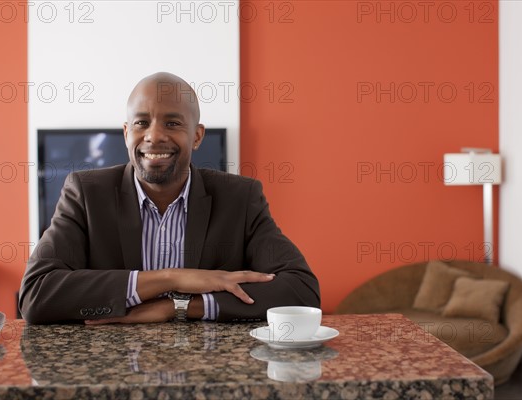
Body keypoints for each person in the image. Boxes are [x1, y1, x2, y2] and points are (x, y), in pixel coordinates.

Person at [19, 72, 320, 324]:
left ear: (198, 136)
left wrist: (178, 306)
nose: (154, 136)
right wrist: (172, 279)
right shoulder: (85, 194)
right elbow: (36, 294)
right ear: (126, 133)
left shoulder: (239, 198)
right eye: (141, 123)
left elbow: (301, 289)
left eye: (172, 123)